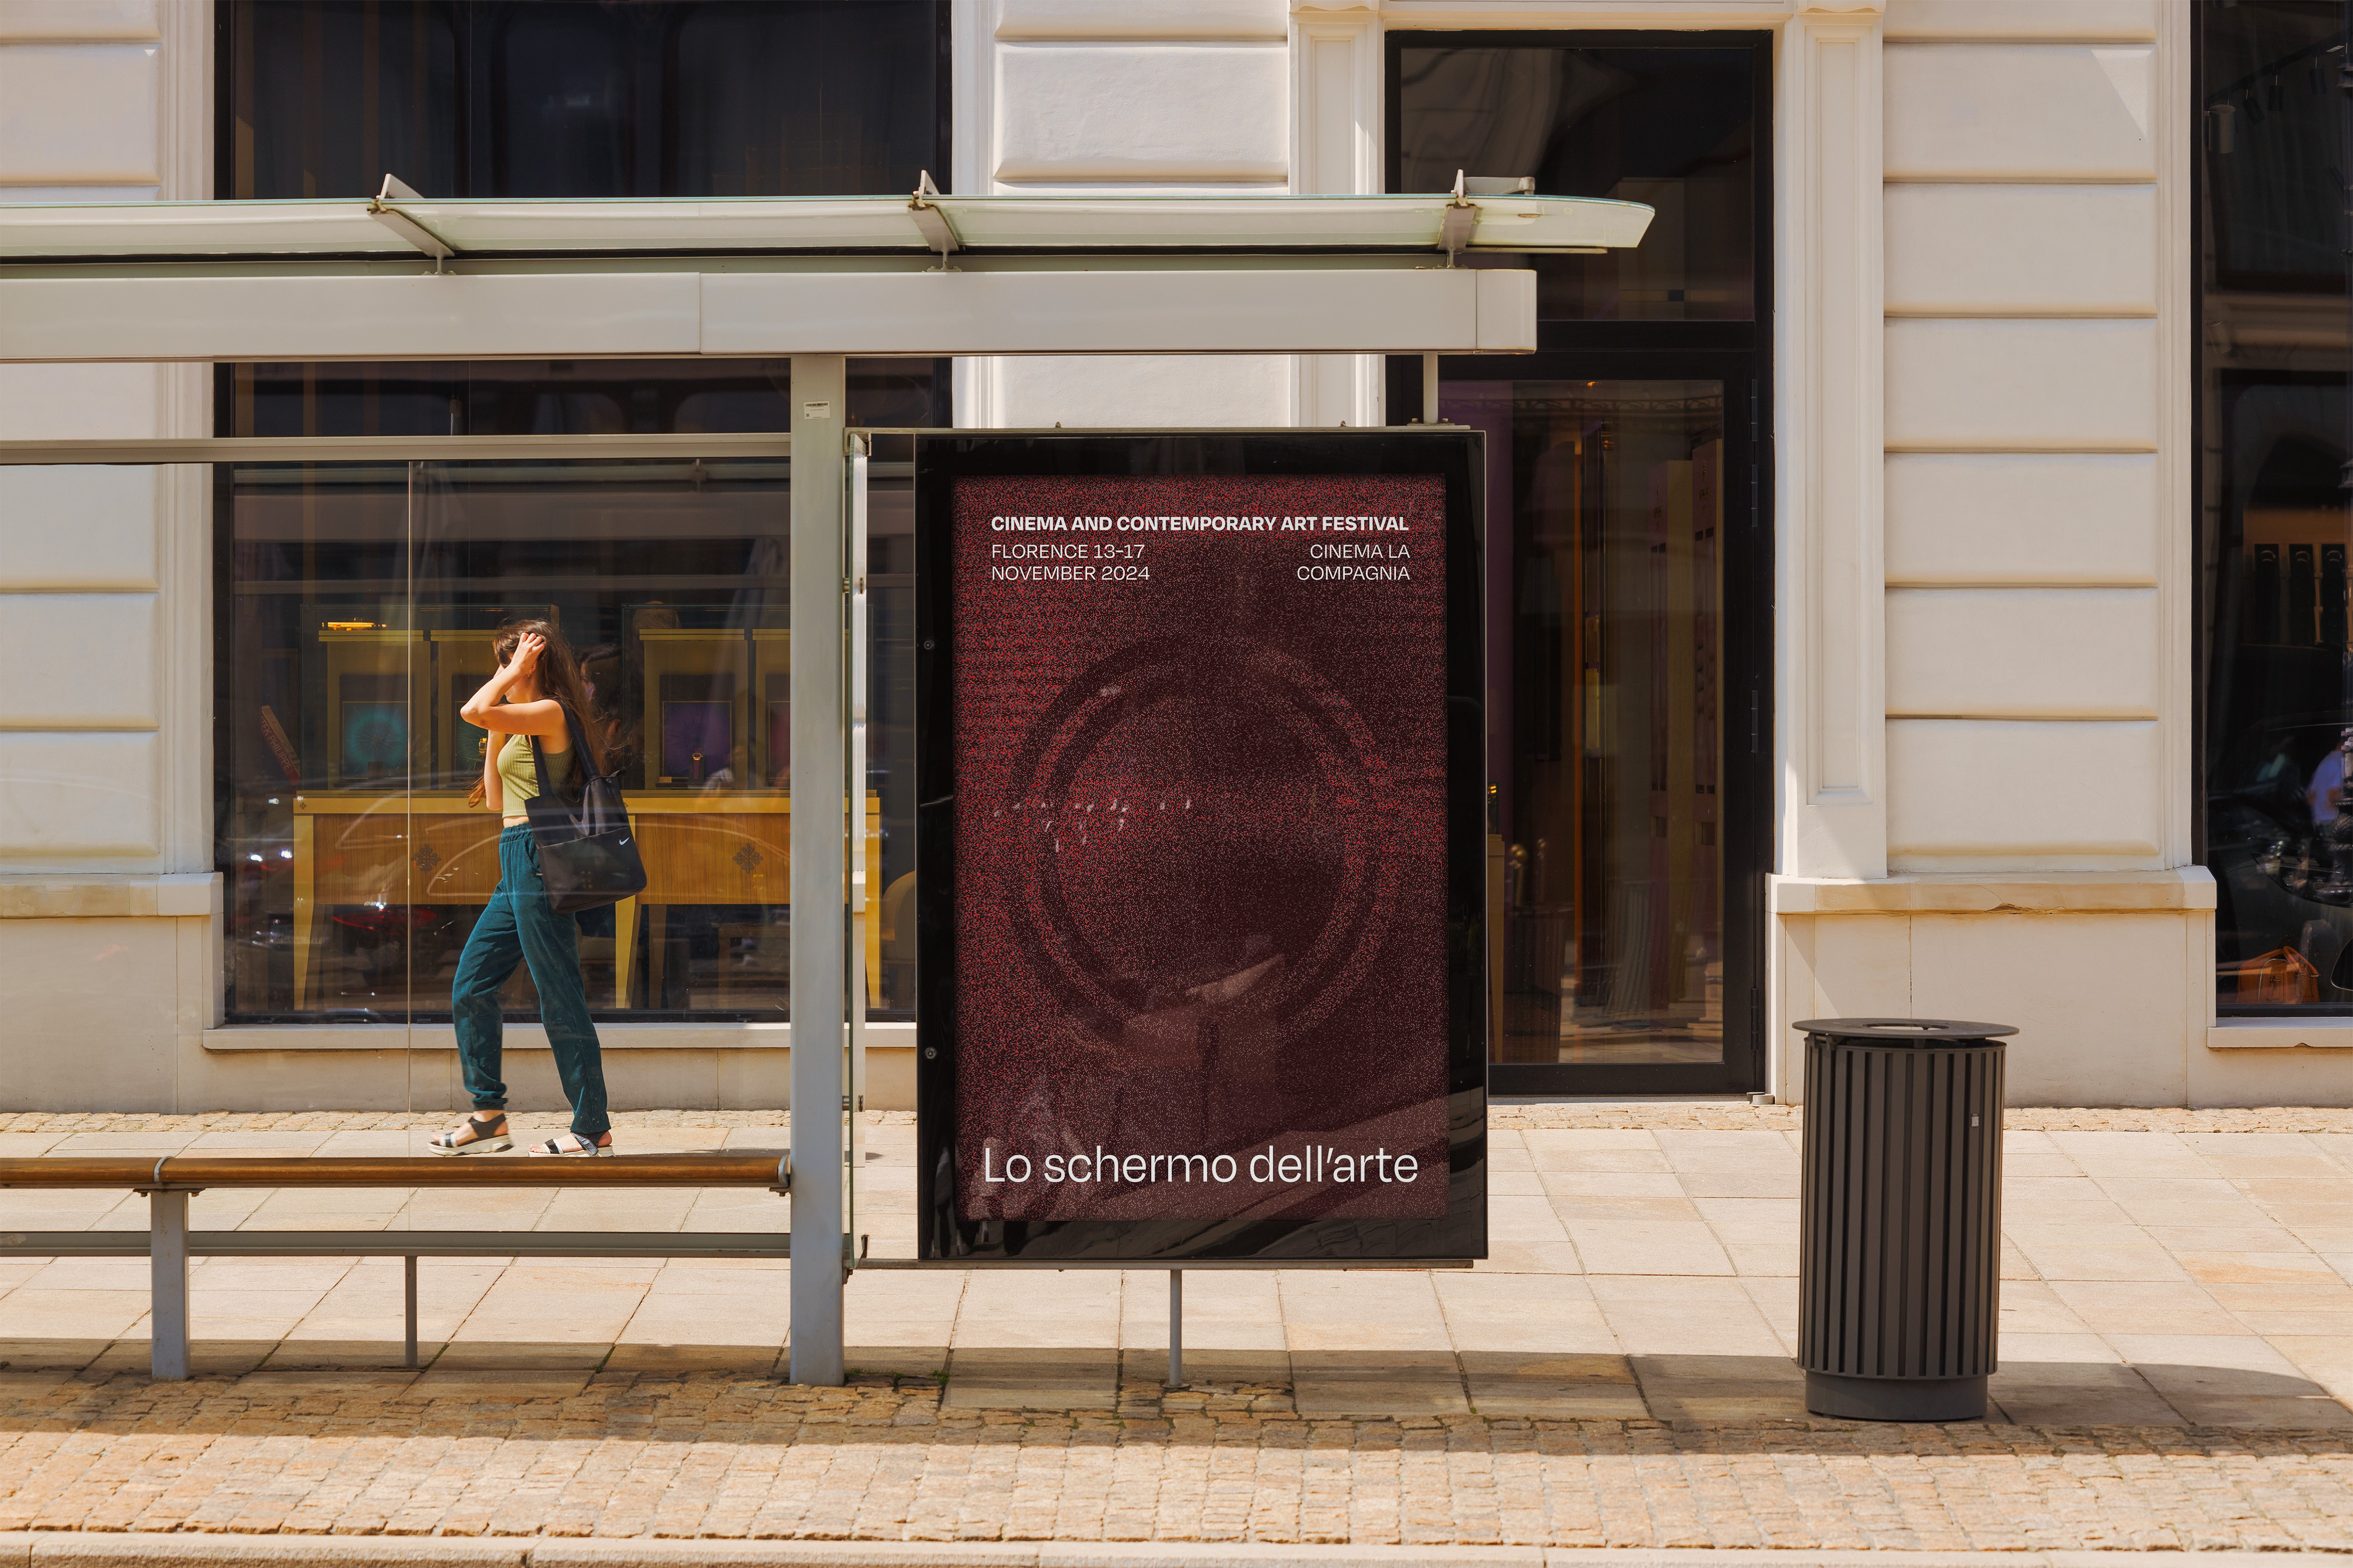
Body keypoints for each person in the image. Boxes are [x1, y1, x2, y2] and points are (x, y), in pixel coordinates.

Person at [429, 621, 615, 1157]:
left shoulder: (552, 712)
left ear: (533, 664)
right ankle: (488, 1115)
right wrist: (497, 724)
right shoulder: (515, 723)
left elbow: (470, 709)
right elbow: (493, 800)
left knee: (558, 994)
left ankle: (591, 1125)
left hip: (538, 857)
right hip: (514, 855)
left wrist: (507, 680)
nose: (500, 673)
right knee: (471, 985)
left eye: (508, 662)